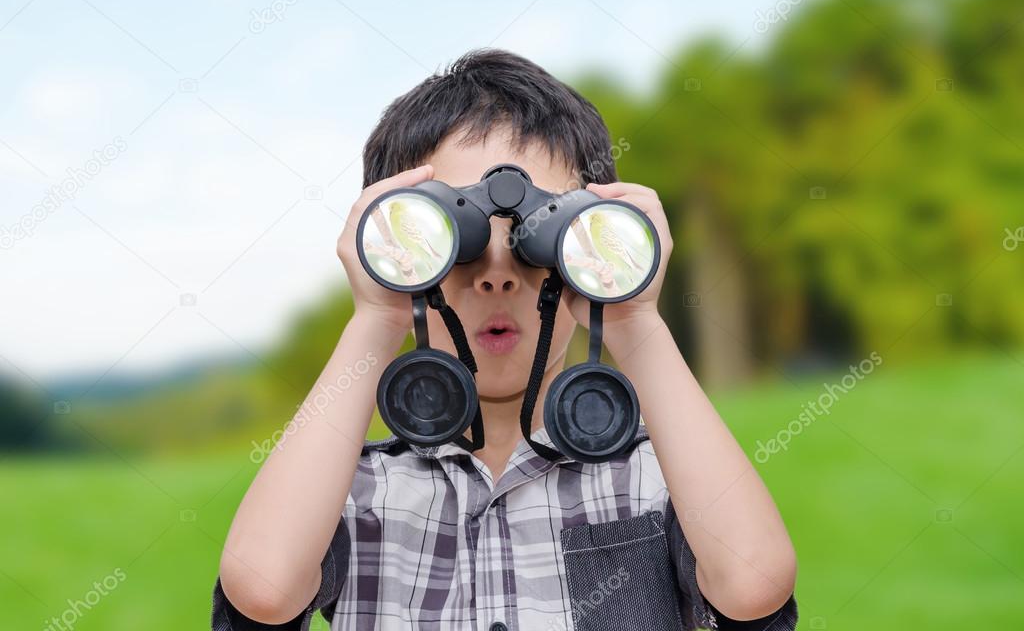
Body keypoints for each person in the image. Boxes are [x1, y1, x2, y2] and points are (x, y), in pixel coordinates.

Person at [211, 49, 798, 630]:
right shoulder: (356, 488)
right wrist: (377, 316)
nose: (497, 274)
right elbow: (264, 589)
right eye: (454, 241)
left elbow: (753, 586)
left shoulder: (658, 476)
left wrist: (632, 318)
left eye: (538, 239)